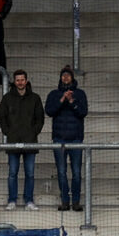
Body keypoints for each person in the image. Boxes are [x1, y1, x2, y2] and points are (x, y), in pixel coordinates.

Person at [0, 69, 44, 210]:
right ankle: (12, 200)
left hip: (30, 141)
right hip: (13, 141)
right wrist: (8, 132)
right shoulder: (7, 98)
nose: (20, 82)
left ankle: (29, 200)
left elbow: (40, 119)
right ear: (14, 81)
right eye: (17, 80)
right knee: (12, 173)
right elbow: (1, 117)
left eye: (22, 80)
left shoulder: (35, 98)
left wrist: (34, 132)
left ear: (26, 80)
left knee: (30, 173)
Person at [44, 65, 88, 212]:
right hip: (59, 139)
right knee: (61, 172)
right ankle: (64, 200)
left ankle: (75, 201)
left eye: (68, 75)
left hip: (75, 139)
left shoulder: (80, 94)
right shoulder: (54, 94)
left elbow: (83, 112)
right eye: (63, 75)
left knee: (76, 172)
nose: (66, 77)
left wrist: (72, 102)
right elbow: (49, 111)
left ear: (72, 78)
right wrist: (62, 99)